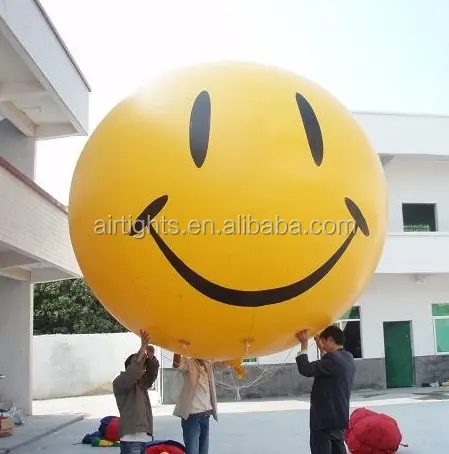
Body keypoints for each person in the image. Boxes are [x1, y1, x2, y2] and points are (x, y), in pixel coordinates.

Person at [295, 326, 356, 454]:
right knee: (338, 450)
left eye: (323, 341)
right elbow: (329, 363)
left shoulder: (332, 360)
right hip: (339, 418)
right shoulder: (348, 357)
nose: (322, 344)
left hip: (324, 420)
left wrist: (304, 345)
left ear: (330, 339)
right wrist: (320, 346)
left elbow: (306, 369)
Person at [113, 329, 160, 454]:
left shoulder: (141, 384)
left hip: (141, 437)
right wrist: (142, 348)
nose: (143, 371)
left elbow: (151, 375)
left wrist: (151, 359)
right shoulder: (120, 382)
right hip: (130, 438)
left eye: (144, 368)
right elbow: (132, 372)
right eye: (142, 368)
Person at [172, 353, 225, 454]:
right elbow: (176, 365)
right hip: (192, 416)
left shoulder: (208, 363)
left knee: (204, 451)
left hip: (206, 415)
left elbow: (222, 364)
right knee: (193, 451)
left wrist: (237, 357)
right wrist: (177, 348)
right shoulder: (188, 362)